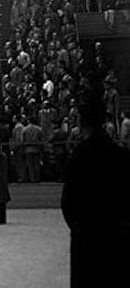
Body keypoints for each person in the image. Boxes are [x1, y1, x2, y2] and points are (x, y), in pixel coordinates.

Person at [61, 100, 130, 288]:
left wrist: (78, 228)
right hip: (116, 235)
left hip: (86, 236)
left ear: (82, 124)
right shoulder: (121, 155)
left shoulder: (79, 156)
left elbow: (68, 203)